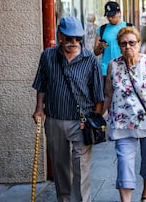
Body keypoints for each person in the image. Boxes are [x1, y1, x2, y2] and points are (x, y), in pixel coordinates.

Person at [32, 17, 104, 202]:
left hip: (81, 122)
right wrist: (39, 108)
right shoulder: (48, 56)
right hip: (55, 119)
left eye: (77, 39)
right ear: (60, 35)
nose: (73, 43)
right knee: (60, 166)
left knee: (81, 168)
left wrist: (92, 120)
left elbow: (98, 96)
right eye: (69, 38)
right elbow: (42, 84)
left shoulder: (90, 60)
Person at [102, 27, 146, 202]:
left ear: (139, 44)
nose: (128, 47)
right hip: (122, 124)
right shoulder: (114, 65)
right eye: (123, 44)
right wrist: (100, 117)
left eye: (132, 43)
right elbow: (108, 95)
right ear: (119, 46)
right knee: (123, 163)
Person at [93, 1, 130, 84]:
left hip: (124, 69)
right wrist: (100, 47)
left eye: (112, 15)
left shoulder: (129, 27)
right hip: (105, 71)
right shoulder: (102, 29)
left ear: (119, 13)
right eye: (108, 16)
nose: (110, 18)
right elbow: (96, 52)